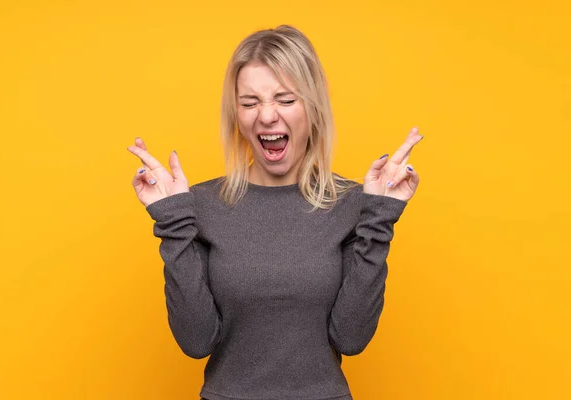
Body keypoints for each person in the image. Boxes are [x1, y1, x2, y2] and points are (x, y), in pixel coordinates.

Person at [127, 25, 422, 400]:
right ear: (236, 114)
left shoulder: (351, 203)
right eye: (250, 103)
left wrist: (379, 216)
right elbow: (196, 341)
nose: (266, 116)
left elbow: (350, 338)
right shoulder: (197, 206)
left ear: (312, 107)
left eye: (285, 99)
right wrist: (172, 221)